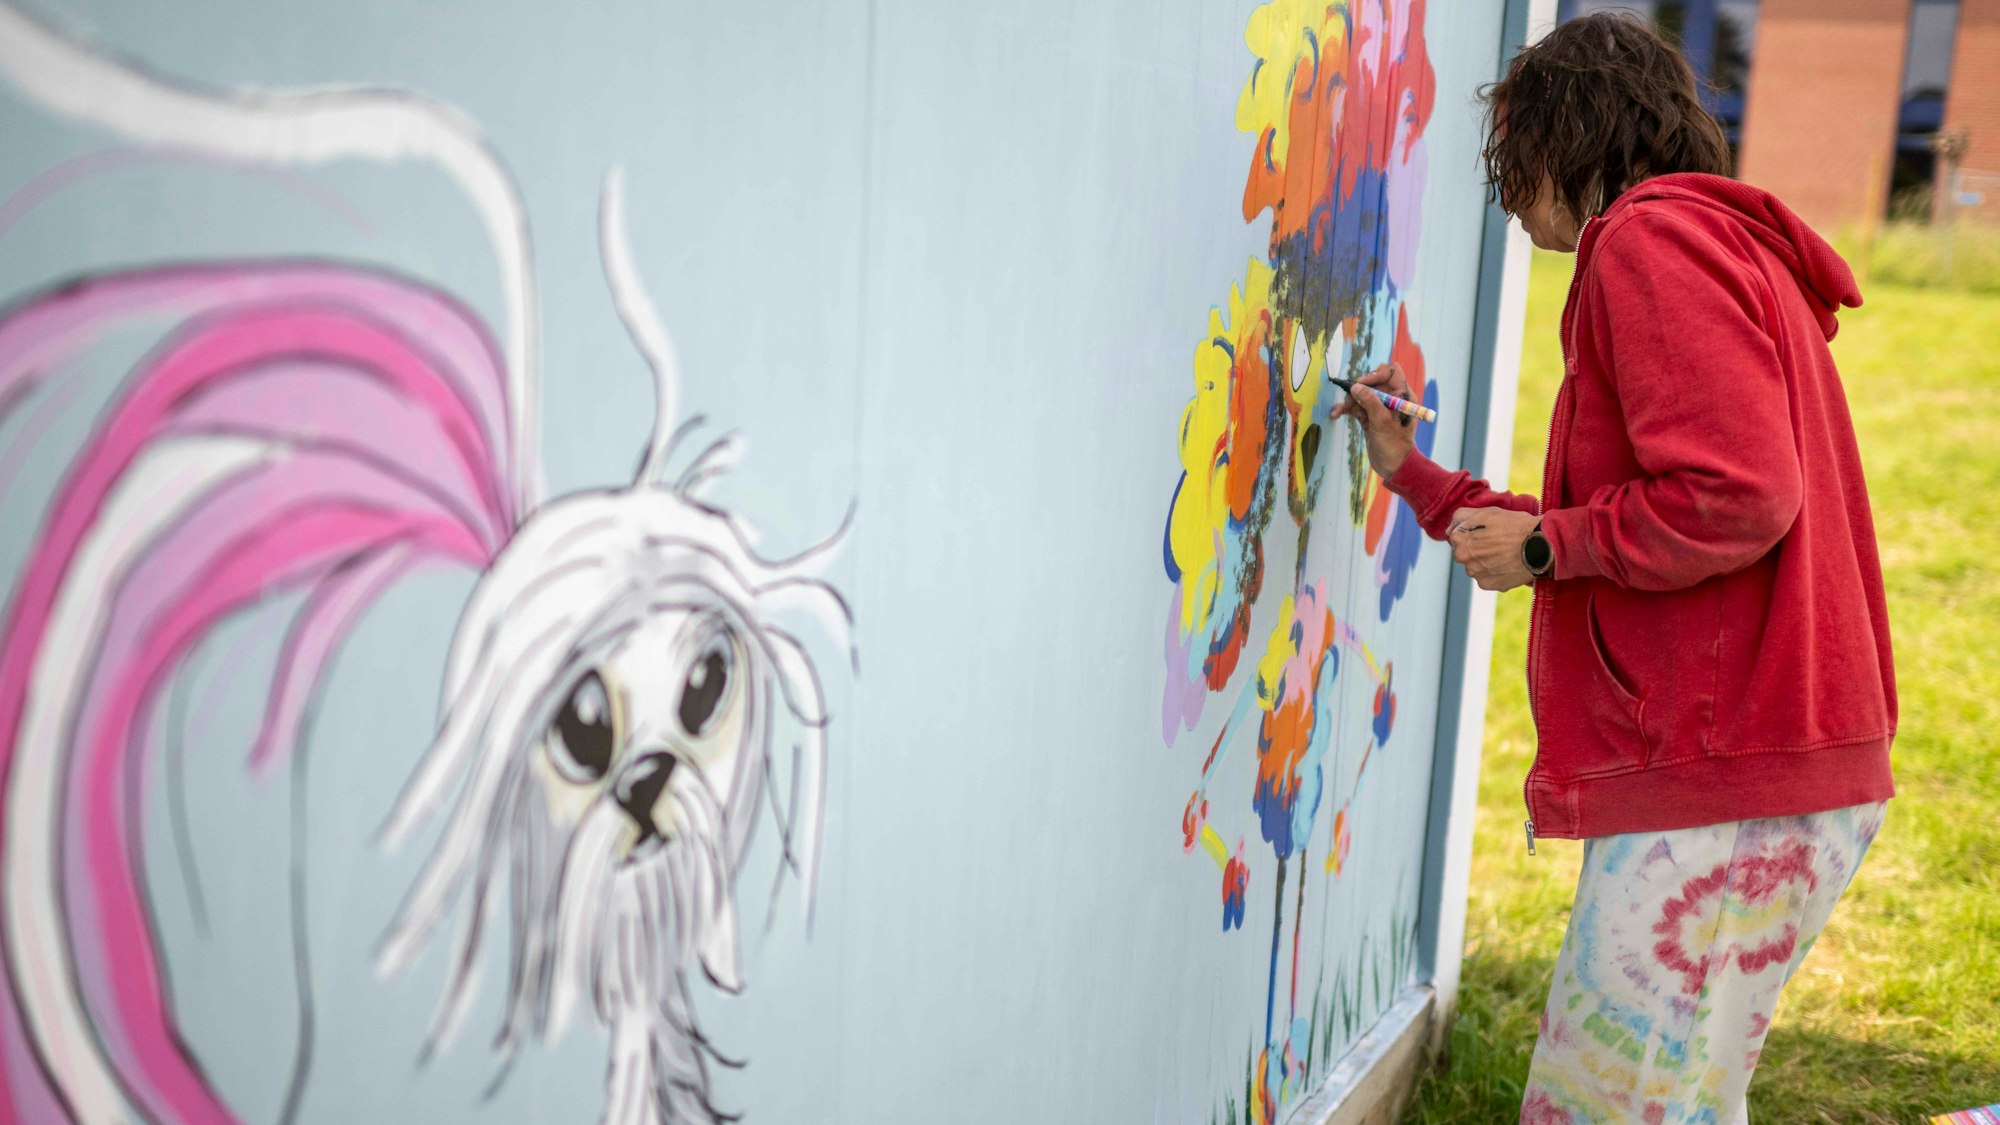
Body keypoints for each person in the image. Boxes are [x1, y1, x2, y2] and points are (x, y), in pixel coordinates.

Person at [1335, 13, 1896, 1125]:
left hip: (1730, 774)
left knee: (1597, 1111)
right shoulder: (1723, 246)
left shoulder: (1648, 242)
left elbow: (1734, 496)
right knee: (1677, 1105)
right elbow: (1658, 504)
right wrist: (1420, 480)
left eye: (1511, 163)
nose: (1506, 200)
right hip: (1780, 768)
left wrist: (1549, 545)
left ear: (1562, 142)